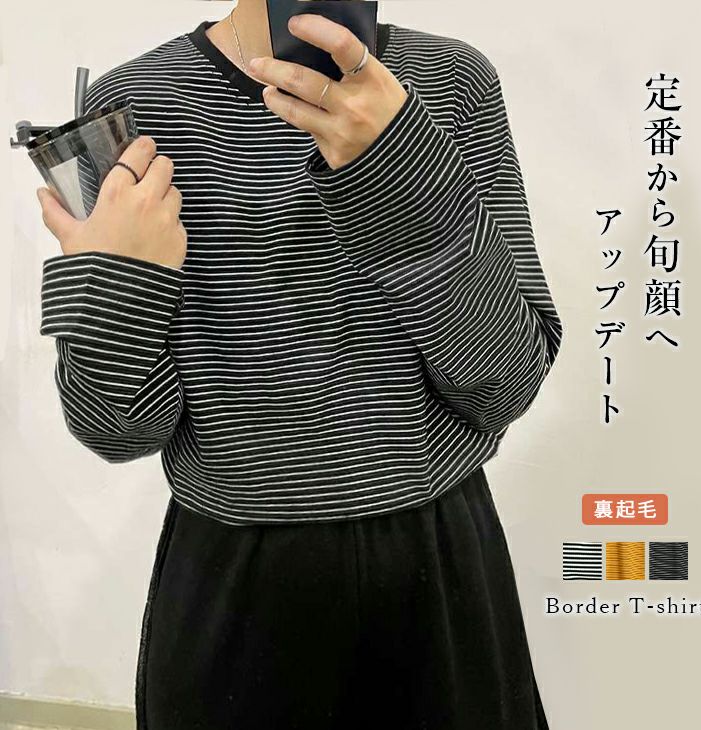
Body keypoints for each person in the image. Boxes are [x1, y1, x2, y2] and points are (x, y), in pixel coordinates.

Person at [36, 1, 562, 728]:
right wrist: (122, 277)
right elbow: (116, 430)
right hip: (232, 573)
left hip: (438, 559)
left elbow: (506, 383)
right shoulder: (136, 102)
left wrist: (401, 178)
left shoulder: (448, 79)